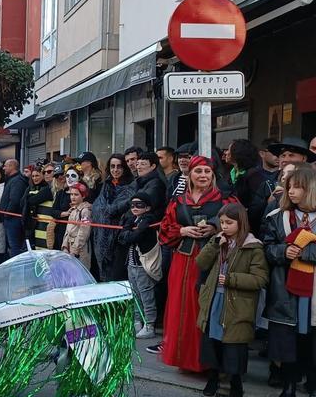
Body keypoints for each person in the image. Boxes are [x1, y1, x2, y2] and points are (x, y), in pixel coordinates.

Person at [151, 156, 237, 365]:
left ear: (213, 175)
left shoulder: (226, 199)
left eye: (207, 172)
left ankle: (206, 363)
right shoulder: (178, 201)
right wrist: (182, 230)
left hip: (215, 261)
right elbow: (164, 229)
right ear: (190, 174)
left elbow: (240, 222)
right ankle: (184, 359)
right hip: (183, 261)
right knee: (181, 308)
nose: (203, 176)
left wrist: (216, 228)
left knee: (206, 308)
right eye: (198, 171)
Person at [195, 202, 268, 397]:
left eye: (229, 222)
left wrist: (231, 279)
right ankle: (213, 378)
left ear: (240, 223)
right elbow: (200, 263)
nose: (224, 226)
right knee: (212, 340)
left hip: (237, 303)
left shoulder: (253, 247)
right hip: (214, 299)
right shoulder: (218, 241)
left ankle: (236, 383)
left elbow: (260, 279)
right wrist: (212, 244)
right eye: (222, 222)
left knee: (234, 345)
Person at [262, 166, 316, 397]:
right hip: (286, 290)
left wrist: (305, 252)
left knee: (313, 342)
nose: (292, 192)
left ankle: (314, 392)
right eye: (290, 186)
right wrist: (282, 252)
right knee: (288, 342)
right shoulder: (277, 216)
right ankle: (289, 387)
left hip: (314, 293)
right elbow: (265, 249)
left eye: (298, 187)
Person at [118, 192, 161, 339]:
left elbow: (134, 237)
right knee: (135, 295)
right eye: (132, 205)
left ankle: (149, 325)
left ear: (148, 207)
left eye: (139, 205)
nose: (135, 207)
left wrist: (127, 233)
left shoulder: (148, 219)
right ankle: (137, 321)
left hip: (143, 265)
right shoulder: (132, 219)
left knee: (146, 295)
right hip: (131, 264)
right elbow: (122, 238)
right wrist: (128, 232)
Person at [91, 154, 136, 281]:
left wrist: (107, 211)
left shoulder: (131, 185)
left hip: (119, 239)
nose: (115, 170)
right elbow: (97, 207)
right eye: (112, 166)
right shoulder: (106, 184)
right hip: (101, 238)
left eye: (119, 167)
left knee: (117, 277)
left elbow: (115, 209)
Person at [228, 139, 271, 237]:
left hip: (251, 228)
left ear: (238, 153)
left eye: (230, 150)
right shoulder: (232, 173)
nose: (226, 153)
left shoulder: (254, 176)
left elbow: (257, 205)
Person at [61, 183, 92, 270]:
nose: (73, 197)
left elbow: (84, 233)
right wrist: (65, 247)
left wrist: (74, 251)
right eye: (71, 194)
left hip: (80, 249)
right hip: (69, 246)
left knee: (80, 273)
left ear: (83, 196)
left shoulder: (85, 211)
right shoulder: (73, 209)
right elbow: (68, 230)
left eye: (76, 194)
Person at [0, 159, 26, 258]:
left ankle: (16, 272)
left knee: (15, 247)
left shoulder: (17, 181)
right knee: (12, 246)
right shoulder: (12, 179)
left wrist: (6, 214)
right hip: (11, 219)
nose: (4, 168)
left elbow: (14, 200)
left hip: (13, 220)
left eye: (5, 166)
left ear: (12, 167)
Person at [132, 151, 167, 218]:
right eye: (137, 164)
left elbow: (143, 204)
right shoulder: (140, 182)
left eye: (143, 164)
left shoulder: (156, 184)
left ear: (153, 166)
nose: (138, 167)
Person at [22, 167, 51, 247]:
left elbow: (32, 200)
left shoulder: (47, 188)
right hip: (30, 224)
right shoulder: (30, 188)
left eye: (37, 175)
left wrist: (30, 197)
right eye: (33, 176)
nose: (35, 178)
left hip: (43, 225)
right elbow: (22, 202)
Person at [50, 165, 75, 250]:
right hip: (61, 230)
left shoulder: (83, 192)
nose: (69, 178)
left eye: (73, 175)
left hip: (75, 232)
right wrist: (65, 213)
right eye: (67, 175)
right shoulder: (61, 193)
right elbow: (53, 211)